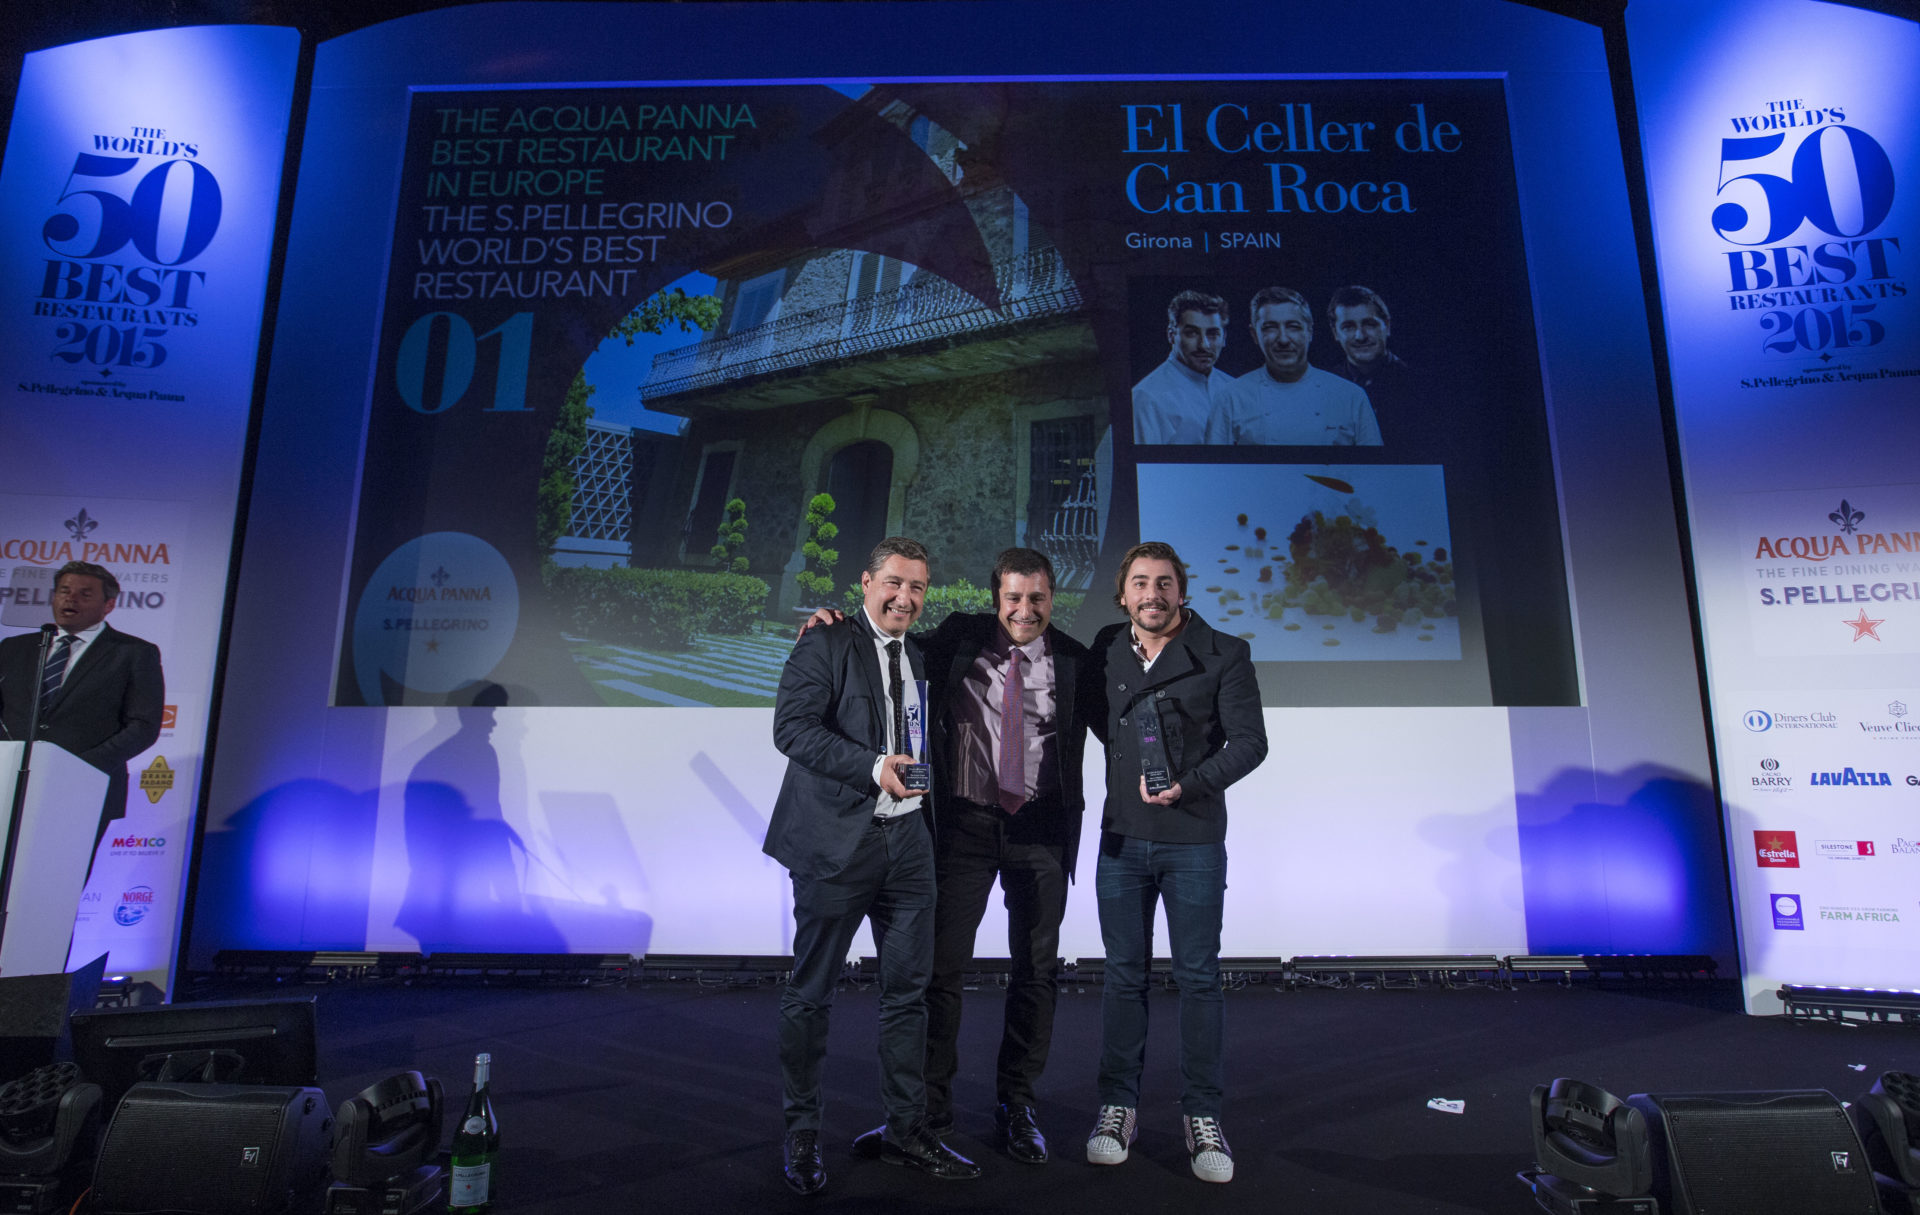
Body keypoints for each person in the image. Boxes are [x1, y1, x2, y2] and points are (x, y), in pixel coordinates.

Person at [764, 537, 979, 1194]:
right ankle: (802, 1130)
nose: (904, 597)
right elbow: (791, 729)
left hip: (909, 846)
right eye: (893, 582)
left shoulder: (919, 652)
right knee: (812, 992)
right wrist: (871, 766)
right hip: (835, 845)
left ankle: (905, 1130)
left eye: (917, 587)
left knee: (908, 994)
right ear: (865, 582)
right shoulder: (825, 642)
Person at [1082, 541, 1267, 1184]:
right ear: (1123, 593)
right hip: (1121, 839)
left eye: (1164, 582)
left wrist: (1186, 784)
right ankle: (1116, 1108)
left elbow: (1251, 744)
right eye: (1140, 583)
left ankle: (1202, 1116)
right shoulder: (1106, 648)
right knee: (1123, 978)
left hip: (1192, 839)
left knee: (1197, 979)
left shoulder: (1225, 653)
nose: (1152, 594)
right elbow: (1098, 721)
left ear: (1181, 591)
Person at [918, 548, 1090, 1164]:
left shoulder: (1074, 659)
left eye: (1037, 598)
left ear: (1052, 599)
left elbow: (1126, 720)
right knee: (941, 971)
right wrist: (836, 620)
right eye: (1014, 597)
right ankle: (930, 1114)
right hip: (963, 824)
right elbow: (889, 645)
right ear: (997, 596)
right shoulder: (959, 638)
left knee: (1037, 972)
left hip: (1040, 830)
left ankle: (1018, 1105)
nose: (1025, 610)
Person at [0, 561, 164, 851]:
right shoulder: (13, 648)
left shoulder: (134, 653)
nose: (70, 599)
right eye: (64, 591)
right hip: (7, 783)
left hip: (84, 787)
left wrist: (77, 768)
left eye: (84, 594)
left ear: (109, 605)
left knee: (53, 882)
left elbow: (143, 726)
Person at [1206, 286, 1381, 446]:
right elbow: (1212, 472)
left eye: (1293, 327)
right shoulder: (1230, 398)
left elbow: (1374, 471)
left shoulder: (1351, 397)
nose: (1283, 339)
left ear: (1310, 331)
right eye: (1270, 328)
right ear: (1254, 334)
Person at [1132, 290, 1230, 445]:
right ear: (1171, 335)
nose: (1204, 345)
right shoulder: (1146, 397)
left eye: (1212, 334)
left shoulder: (1234, 387)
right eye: (1192, 333)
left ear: (1224, 338)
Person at [1326, 285, 1412, 426]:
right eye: (1348, 327)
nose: (1360, 336)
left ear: (1387, 326)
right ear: (1335, 333)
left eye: (1369, 324)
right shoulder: (1324, 389)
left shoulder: (1422, 387)